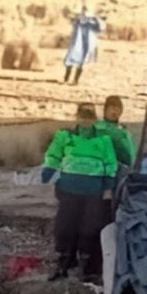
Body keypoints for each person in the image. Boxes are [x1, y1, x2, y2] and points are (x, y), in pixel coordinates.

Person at [41, 102, 120, 279]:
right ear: (77, 118)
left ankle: (85, 267)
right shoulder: (65, 136)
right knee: (65, 227)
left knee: (90, 228)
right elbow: (53, 156)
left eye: (89, 118)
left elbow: (110, 164)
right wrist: (49, 174)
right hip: (68, 189)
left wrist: (108, 188)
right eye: (82, 118)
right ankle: (64, 263)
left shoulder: (103, 139)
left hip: (94, 191)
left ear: (94, 120)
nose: (85, 122)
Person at [63, 4, 104, 85]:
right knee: (69, 61)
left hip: (85, 45)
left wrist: (96, 19)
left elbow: (99, 29)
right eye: (83, 11)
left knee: (80, 63)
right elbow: (69, 17)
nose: (84, 14)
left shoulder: (91, 23)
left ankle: (75, 80)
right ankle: (66, 79)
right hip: (75, 44)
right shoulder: (77, 21)